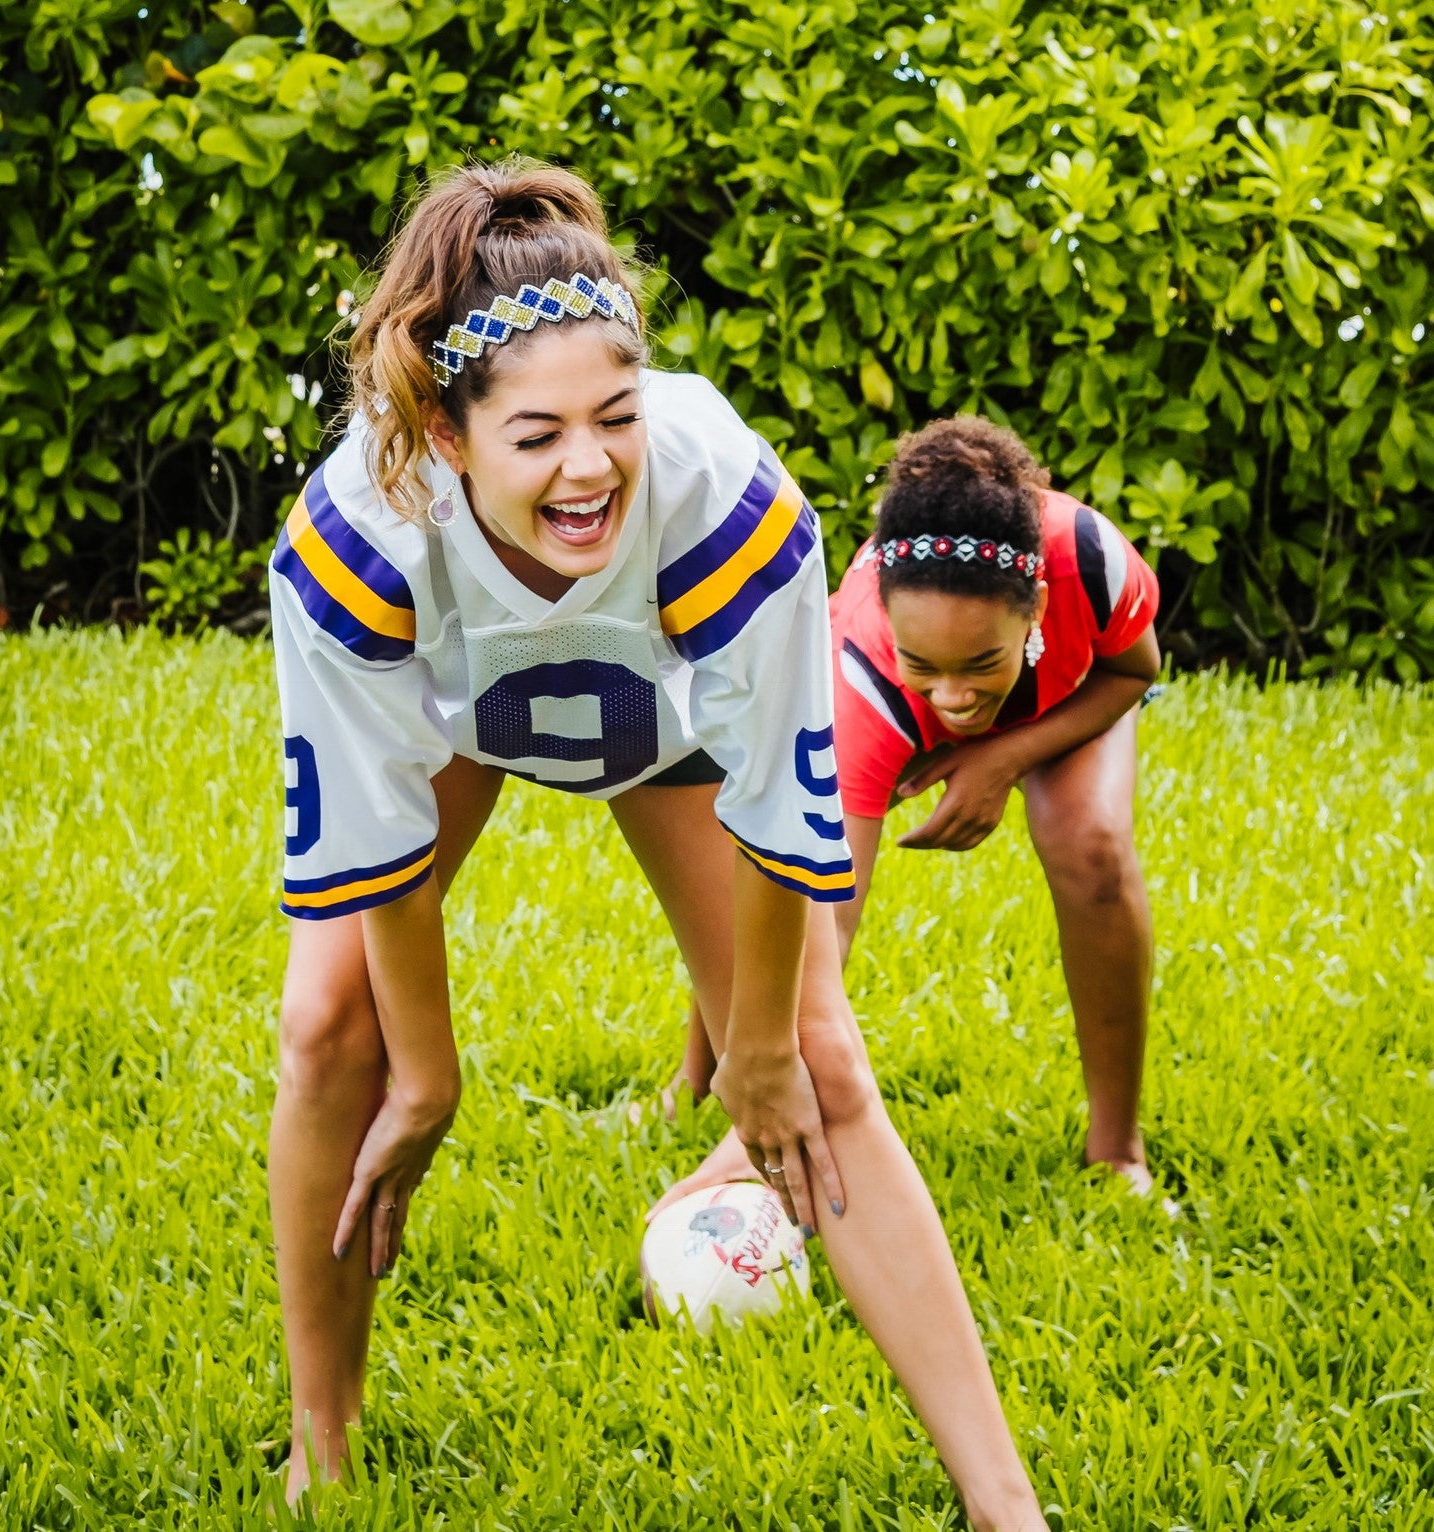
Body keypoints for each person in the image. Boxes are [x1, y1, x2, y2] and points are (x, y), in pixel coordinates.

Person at [266, 160, 1048, 1530]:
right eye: (538, 434)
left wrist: (752, 1043)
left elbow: (783, 811)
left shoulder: (731, 505)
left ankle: (1004, 1508)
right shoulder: (354, 541)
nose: (589, 464)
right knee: (333, 1025)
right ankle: (319, 1452)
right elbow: (370, 844)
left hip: (668, 724)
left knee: (817, 1057)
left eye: (616, 416)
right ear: (448, 439)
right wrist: (430, 1076)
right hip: (460, 723)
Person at [655, 415, 1164, 1209]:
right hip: (882, 705)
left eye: (976, 666)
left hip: (1061, 689)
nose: (955, 698)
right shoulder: (854, 678)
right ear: (887, 618)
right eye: (924, 664)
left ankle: (1116, 1151)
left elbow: (1133, 670)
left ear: (1033, 608)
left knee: (1089, 846)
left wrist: (998, 758)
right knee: (771, 876)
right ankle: (702, 1077)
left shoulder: (1093, 561)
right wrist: (747, 1139)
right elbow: (825, 922)